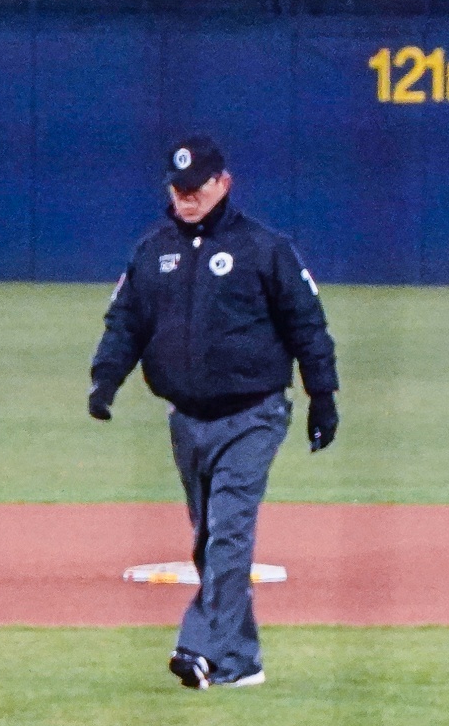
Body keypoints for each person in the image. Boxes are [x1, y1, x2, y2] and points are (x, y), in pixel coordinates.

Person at [87, 136, 339, 690]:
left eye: (196, 187)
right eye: (178, 189)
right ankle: (242, 662)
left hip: (253, 415)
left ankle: (198, 647)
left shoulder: (265, 249)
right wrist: (106, 380)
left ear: (223, 183)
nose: (186, 198)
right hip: (186, 419)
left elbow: (308, 325)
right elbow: (126, 322)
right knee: (210, 543)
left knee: (228, 534)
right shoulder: (153, 252)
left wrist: (322, 396)